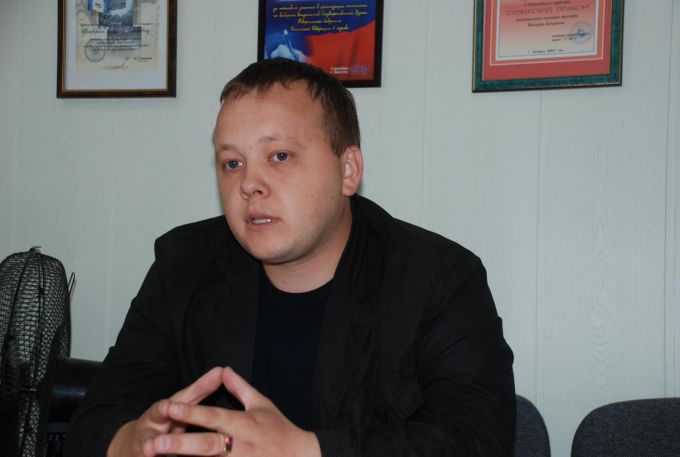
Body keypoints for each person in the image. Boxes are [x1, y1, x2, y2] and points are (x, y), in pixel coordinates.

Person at [65, 58, 515, 457]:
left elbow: (478, 439)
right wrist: (131, 442)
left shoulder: (439, 278)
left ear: (348, 170)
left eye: (279, 156)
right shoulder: (182, 265)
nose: (249, 185)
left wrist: (305, 450)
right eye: (232, 163)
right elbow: (94, 419)